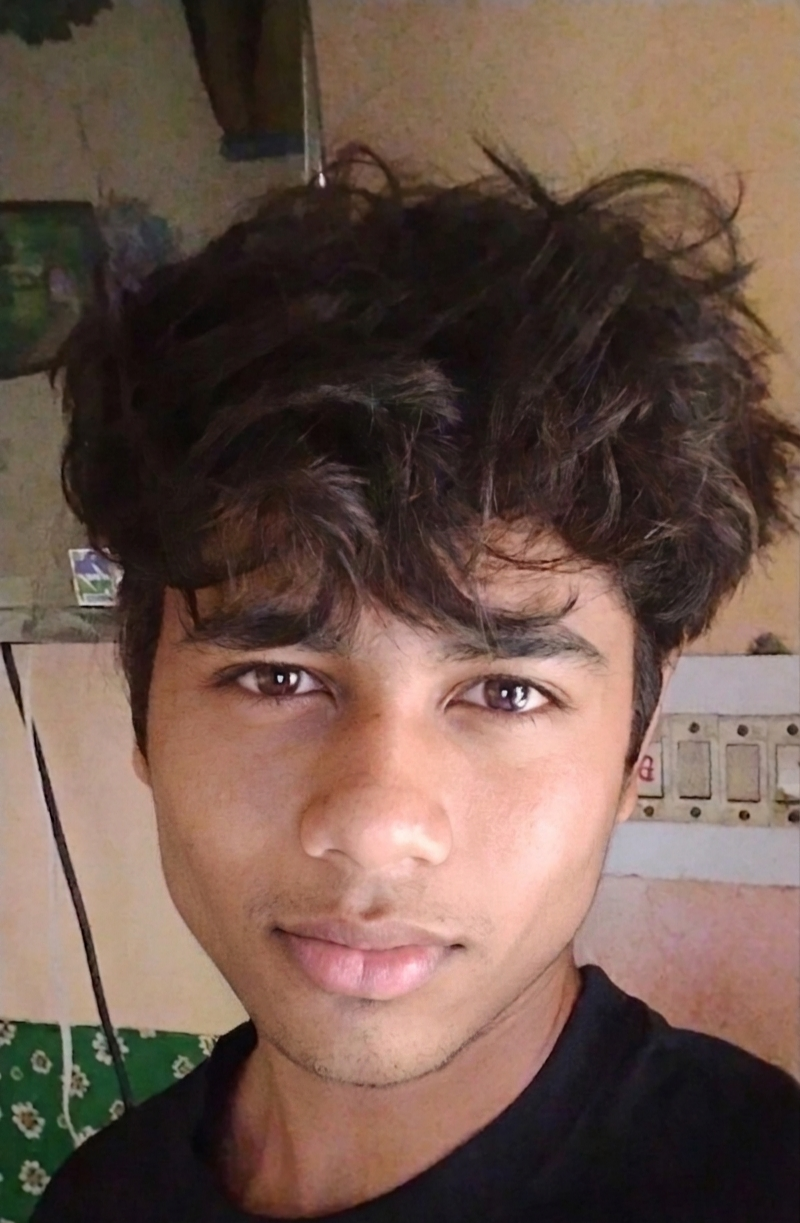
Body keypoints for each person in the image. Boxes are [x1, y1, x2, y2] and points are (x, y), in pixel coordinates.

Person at [32, 143, 799, 1222]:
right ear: (141, 710)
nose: (375, 826)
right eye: (276, 675)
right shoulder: (98, 1198)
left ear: (635, 744)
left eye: (506, 692)